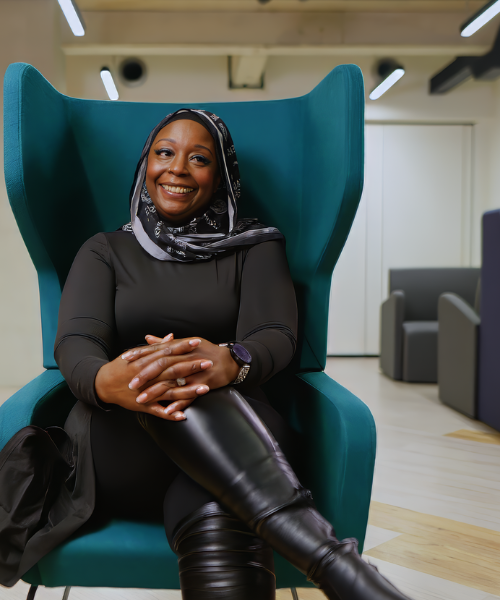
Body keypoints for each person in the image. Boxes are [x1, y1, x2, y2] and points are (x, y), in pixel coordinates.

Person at [54, 109, 411, 600]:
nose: (177, 168)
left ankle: (338, 568)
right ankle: (338, 566)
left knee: (217, 490)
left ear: (219, 176)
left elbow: (276, 333)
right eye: (164, 152)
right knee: (175, 381)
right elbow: (76, 342)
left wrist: (231, 360)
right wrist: (104, 382)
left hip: (242, 441)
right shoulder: (105, 250)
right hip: (122, 438)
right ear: (145, 165)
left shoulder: (255, 247)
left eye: (198, 158)